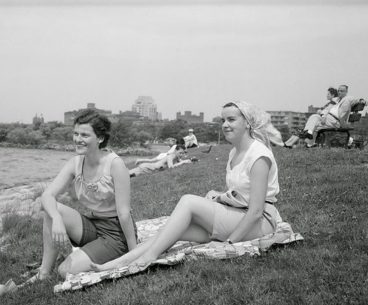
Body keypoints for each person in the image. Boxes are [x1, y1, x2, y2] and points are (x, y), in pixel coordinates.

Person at [92, 101, 292, 271]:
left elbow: (256, 210)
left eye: (231, 120)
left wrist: (228, 243)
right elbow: (244, 193)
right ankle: (120, 262)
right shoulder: (234, 152)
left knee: (188, 202)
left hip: (260, 223)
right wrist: (221, 196)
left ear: (247, 123)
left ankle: (148, 258)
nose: (225, 125)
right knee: (173, 229)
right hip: (240, 214)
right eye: (223, 120)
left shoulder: (258, 156)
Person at [38, 109, 137, 279]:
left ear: (100, 138)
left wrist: (134, 253)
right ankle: (44, 273)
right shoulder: (75, 163)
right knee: (51, 210)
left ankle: (111, 253)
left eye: (84, 135)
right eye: (75, 134)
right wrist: (56, 219)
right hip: (92, 225)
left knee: (64, 270)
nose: (77, 139)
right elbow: (47, 195)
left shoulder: (115, 165)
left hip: (115, 234)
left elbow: (124, 213)